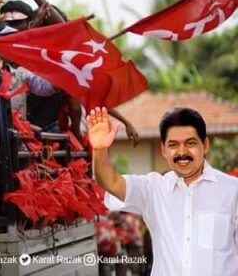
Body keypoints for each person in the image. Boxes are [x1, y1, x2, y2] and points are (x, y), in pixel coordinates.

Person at [89, 106, 238, 275]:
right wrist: (100, 149)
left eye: (191, 143)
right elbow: (111, 182)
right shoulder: (153, 189)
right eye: (173, 145)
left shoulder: (232, 190)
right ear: (164, 150)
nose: (182, 152)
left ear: (205, 145)